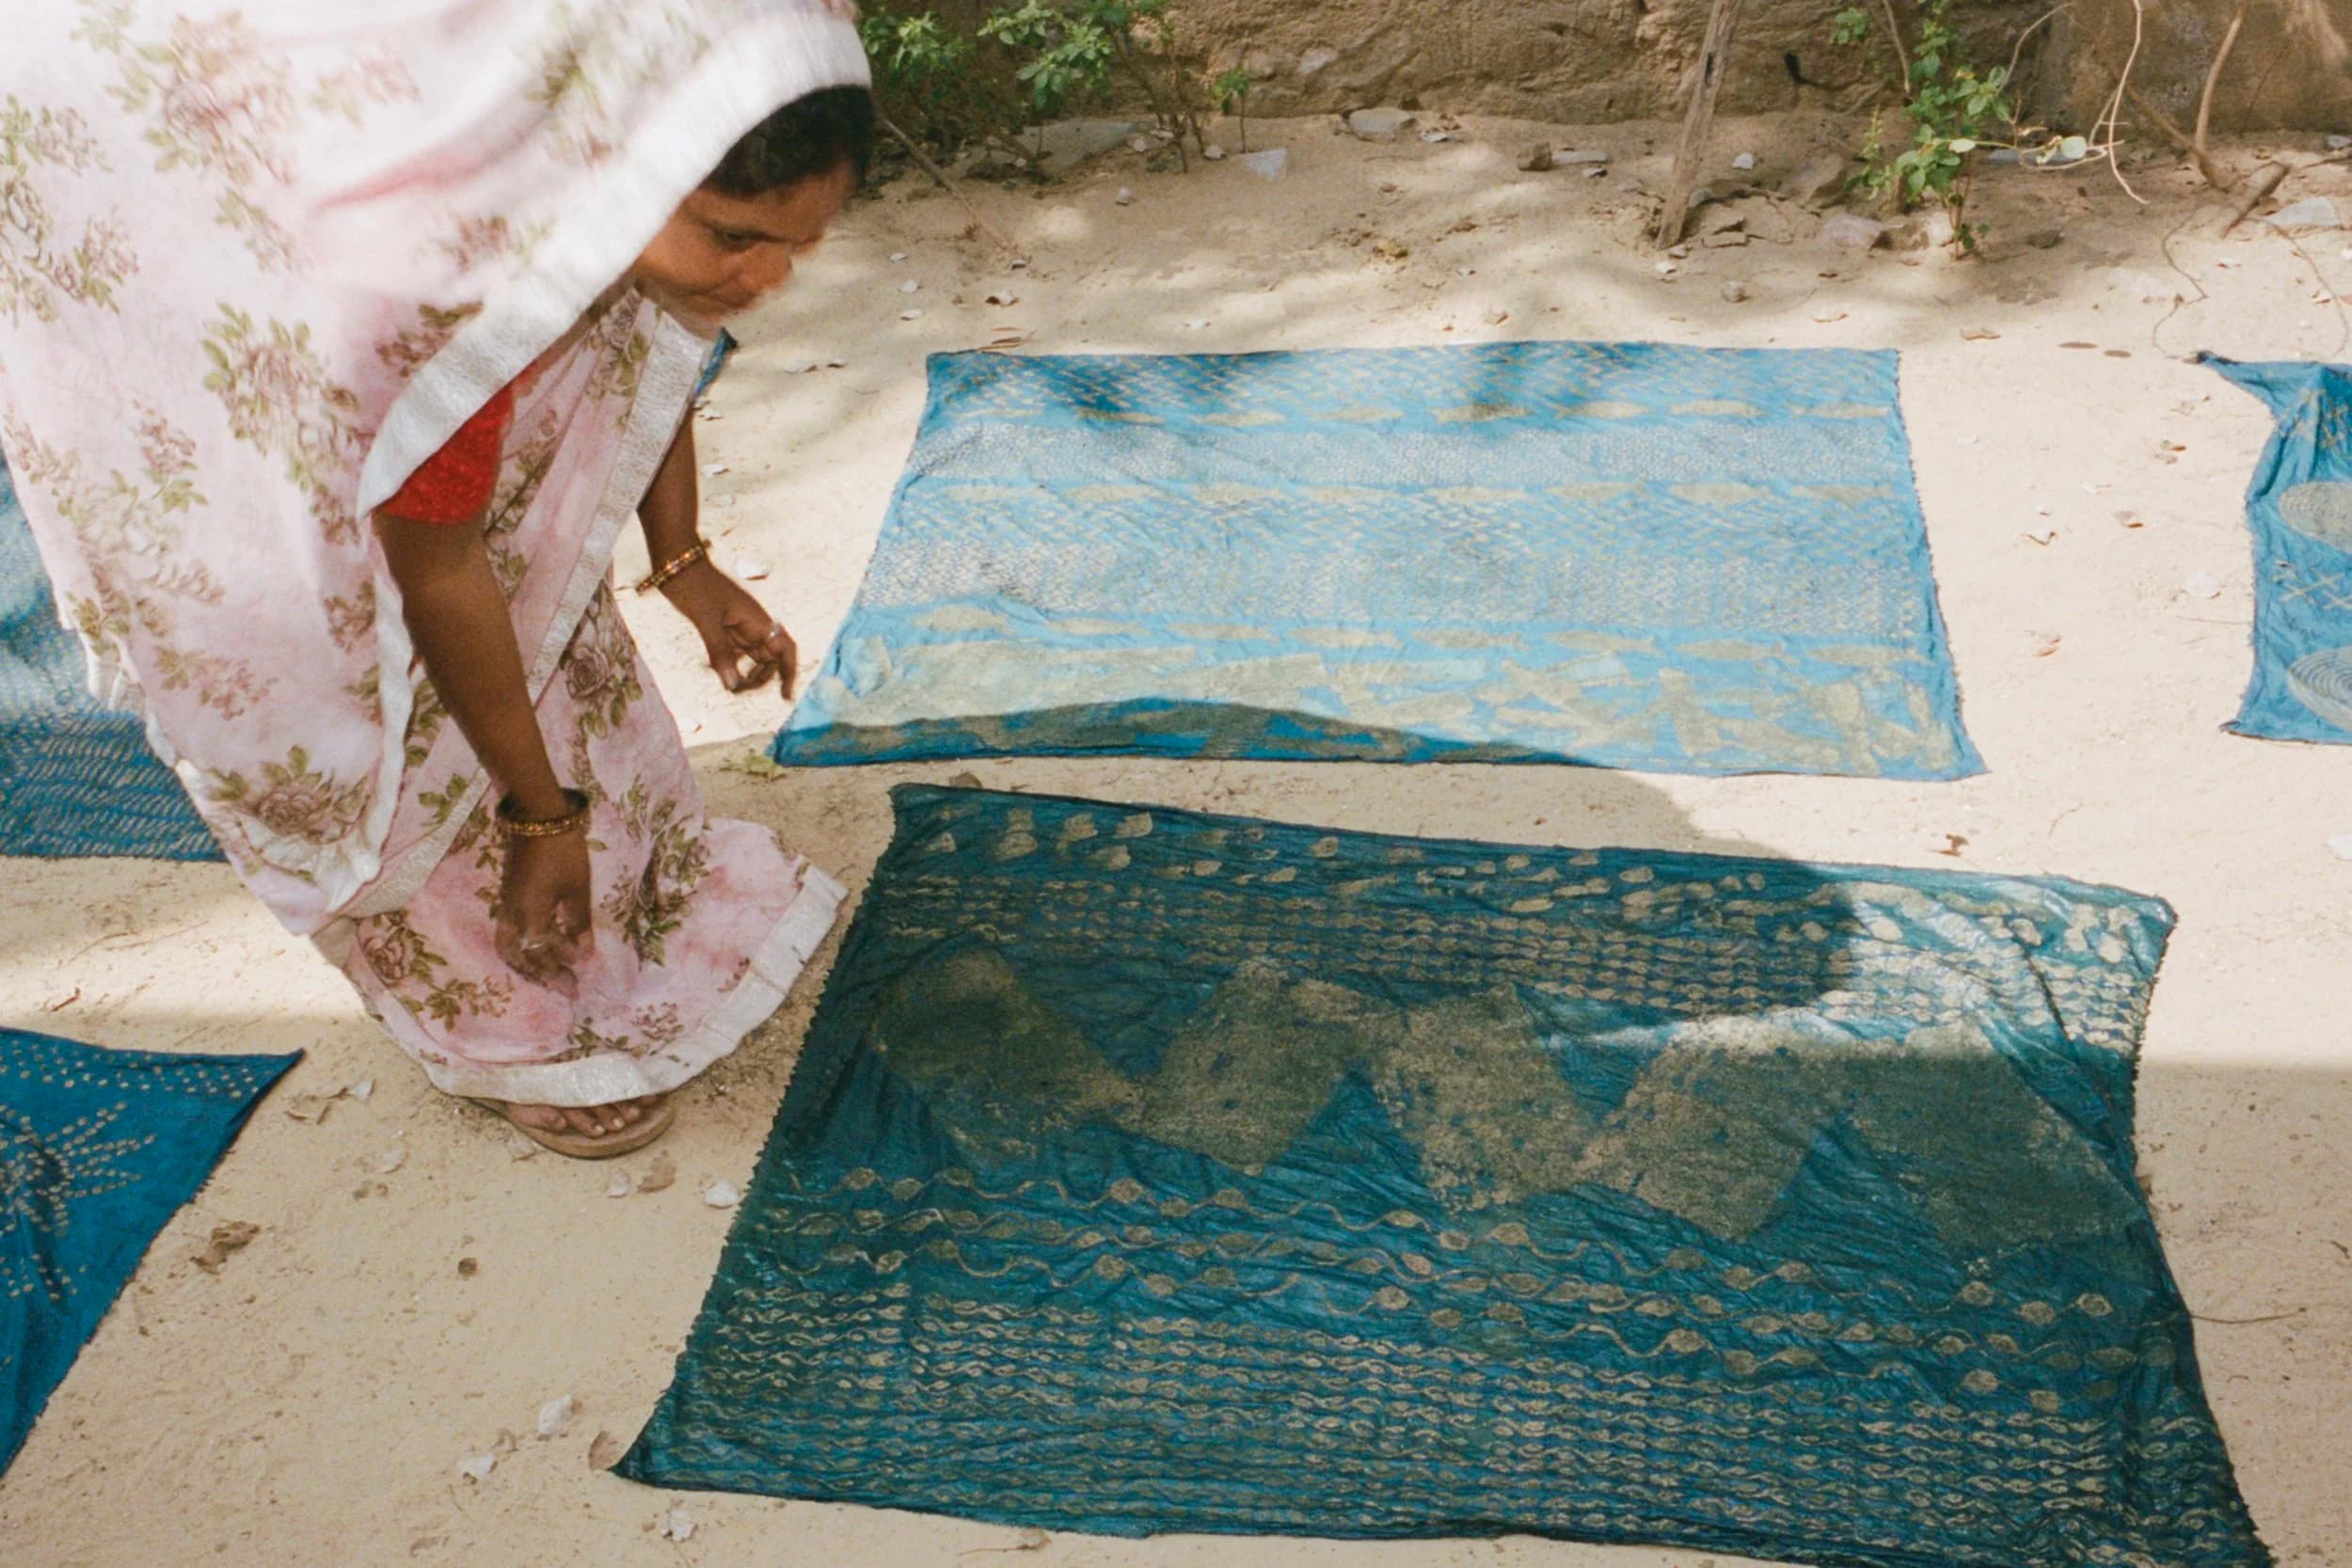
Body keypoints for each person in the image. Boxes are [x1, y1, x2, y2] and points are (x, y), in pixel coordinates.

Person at [0, 1, 872, 1156]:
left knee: (553, 635)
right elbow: (442, 567)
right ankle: (495, 1022)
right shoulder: (431, 311)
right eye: (734, 238)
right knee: (406, 762)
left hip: (458, 499)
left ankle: (618, 885)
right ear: (620, 176)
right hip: (353, 500)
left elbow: (639, 363)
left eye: (799, 245)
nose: (766, 278)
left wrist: (685, 562)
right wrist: (536, 812)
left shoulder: (601, 179)